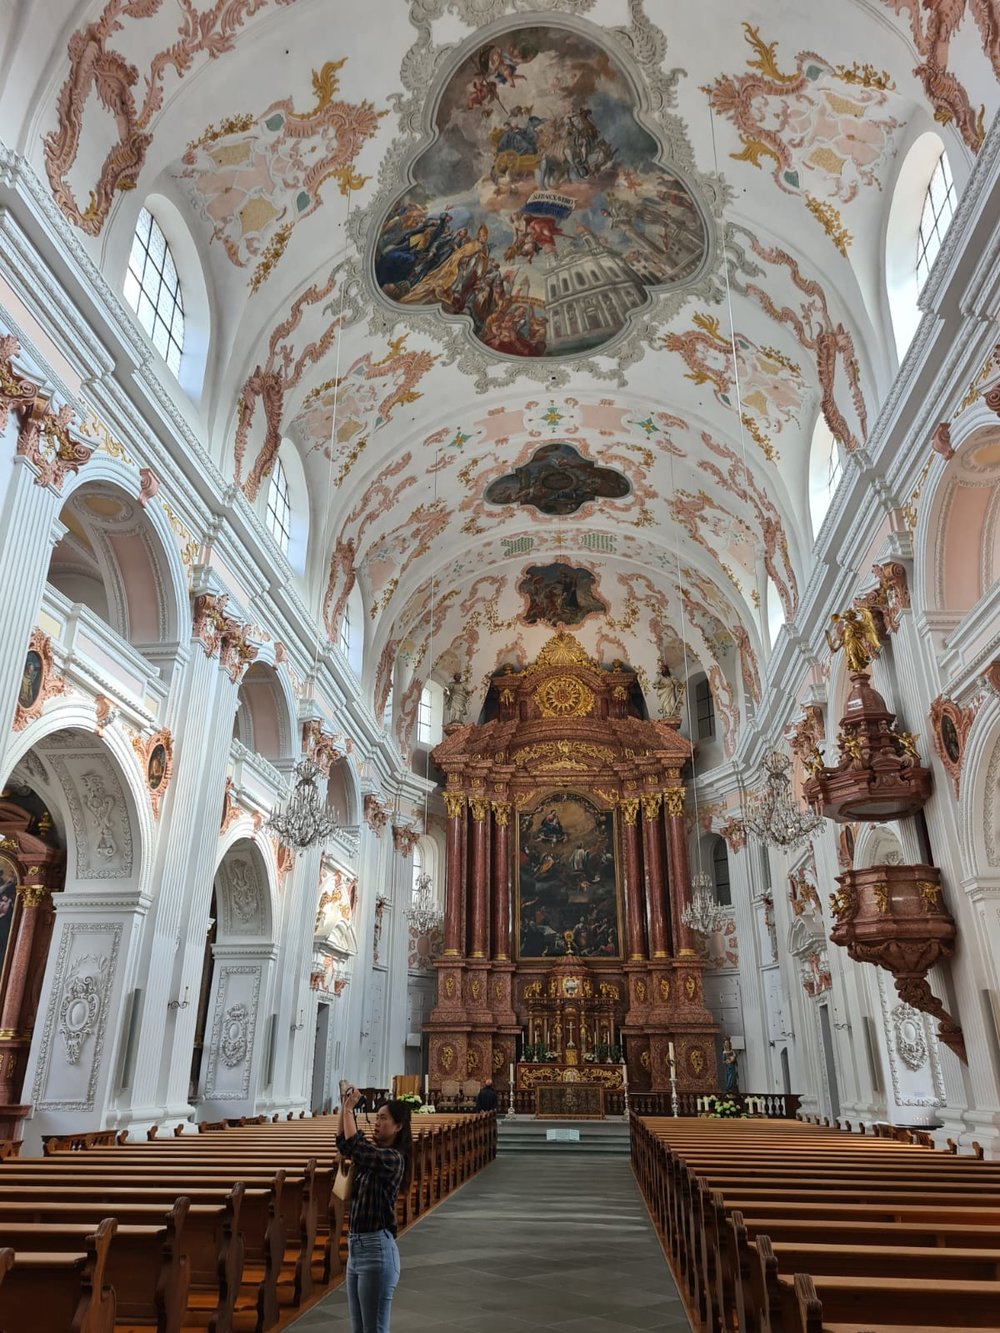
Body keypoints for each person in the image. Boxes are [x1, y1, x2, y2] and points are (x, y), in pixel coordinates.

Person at [337, 1081, 413, 1333]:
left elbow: (357, 1149)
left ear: (399, 1126)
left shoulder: (393, 1159)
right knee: (359, 1329)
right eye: (376, 1118)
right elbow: (345, 1145)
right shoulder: (375, 1154)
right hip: (356, 1248)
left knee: (375, 1329)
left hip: (376, 1251)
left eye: (383, 1118)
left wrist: (349, 1111)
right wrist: (342, 1107)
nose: (377, 1123)